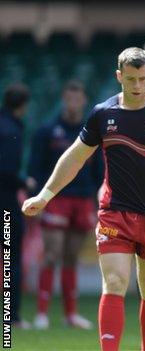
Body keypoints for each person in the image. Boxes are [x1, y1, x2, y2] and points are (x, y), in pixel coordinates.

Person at [22, 47, 145, 351]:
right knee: (116, 283)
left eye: (142, 79)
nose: (136, 86)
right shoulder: (103, 114)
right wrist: (45, 194)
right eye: (130, 79)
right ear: (119, 76)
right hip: (114, 213)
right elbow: (75, 157)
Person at [28, 80, 102, 330]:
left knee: (71, 256)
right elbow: (36, 168)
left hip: (83, 200)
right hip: (57, 200)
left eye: (77, 98)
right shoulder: (47, 131)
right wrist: (40, 199)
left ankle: (71, 315)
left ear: (83, 101)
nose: (73, 102)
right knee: (51, 254)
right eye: (69, 98)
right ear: (63, 98)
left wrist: (97, 200)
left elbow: (100, 171)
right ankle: (41, 313)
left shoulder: (92, 132)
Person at [0, 83, 32, 329]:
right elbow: (7, 170)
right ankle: (12, 316)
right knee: (11, 258)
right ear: (23, 106)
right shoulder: (12, 130)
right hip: (6, 204)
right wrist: (25, 182)